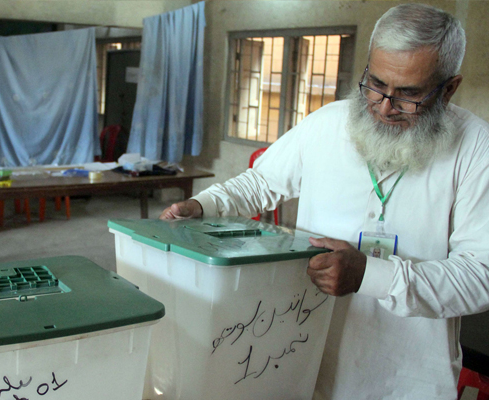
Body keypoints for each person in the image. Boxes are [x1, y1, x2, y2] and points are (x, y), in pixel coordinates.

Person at [161, 4, 489, 399]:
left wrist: (371, 275)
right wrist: (204, 204)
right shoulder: (329, 123)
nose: (384, 107)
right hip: (305, 354)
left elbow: (480, 275)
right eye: (376, 83)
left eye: (409, 95)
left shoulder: (476, 150)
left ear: (449, 88)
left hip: (408, 374)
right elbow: (263, 181)